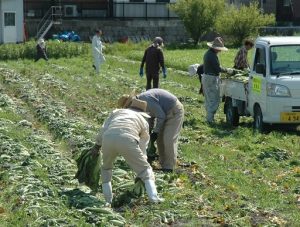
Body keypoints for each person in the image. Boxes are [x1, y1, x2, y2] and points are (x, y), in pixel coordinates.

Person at [90, 98, 164, 205]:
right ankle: (154, 198)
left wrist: (97, 146)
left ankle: (108, 201)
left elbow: (104, 128)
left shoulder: (117, 113)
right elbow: (143, 145)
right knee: (145, 170)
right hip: (127, 139)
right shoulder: (143, 121)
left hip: (108, 138)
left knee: (106, 168)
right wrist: (142, 162)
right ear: (143, 112)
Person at [119, 89, 184, 172]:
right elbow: (151, 117)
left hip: (174, 111)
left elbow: (161, 116)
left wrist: (156, 132)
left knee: (168, 139)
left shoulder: (146, 100)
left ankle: (169, 167)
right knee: (160, 140)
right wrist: (149, 132)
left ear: (131, 103)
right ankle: (163, 163)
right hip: (164, 112)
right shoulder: (141, 104)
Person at [202, 37, 231, 124]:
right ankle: (210, 120)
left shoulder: (208, 54)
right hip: (211, 78)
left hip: (207, 77)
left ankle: (209, 117)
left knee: (209, 98)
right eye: (219, 49)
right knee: (214, 98)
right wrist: (227, 70)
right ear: (215, 48)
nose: (220, 51)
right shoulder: (212, 56)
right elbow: (217, 69)